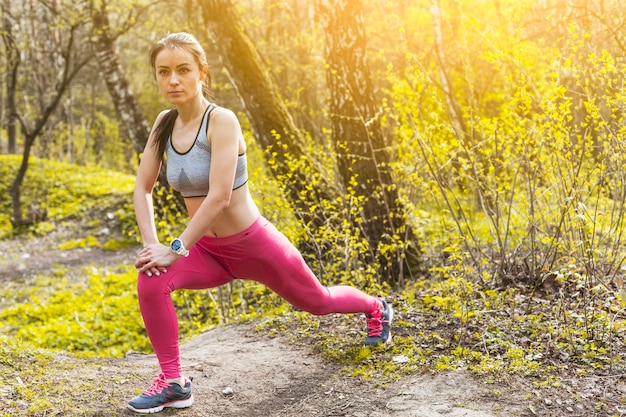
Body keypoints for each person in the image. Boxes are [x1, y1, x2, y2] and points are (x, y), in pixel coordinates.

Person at [127, 32, 393, 414]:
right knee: (151, 277)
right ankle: (174, 383)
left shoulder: (221, 121)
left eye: (183, 70)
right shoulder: (164, 124)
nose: (173, 80)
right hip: (207, 251)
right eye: (163, 71)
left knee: (317, 302)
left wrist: (174, 249)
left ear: (202, 73)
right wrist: (155, 248)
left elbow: (219, 197)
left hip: (254, 245)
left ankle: (375, 307)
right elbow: (142, 187)